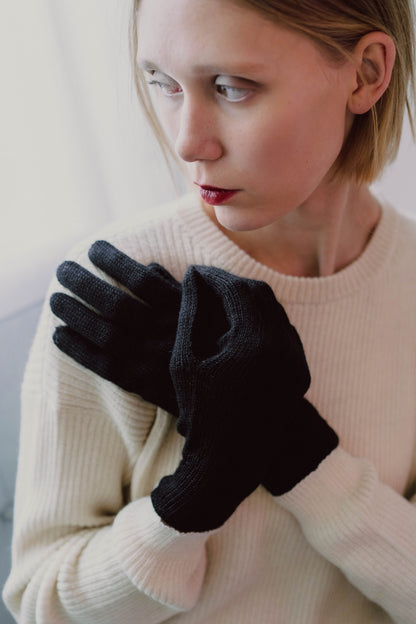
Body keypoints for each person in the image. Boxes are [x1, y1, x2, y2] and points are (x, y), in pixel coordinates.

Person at [3, 0, 416, 622]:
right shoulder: (118, 289)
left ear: (365, 74)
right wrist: (200, 488)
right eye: (162, 83)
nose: (186, 140)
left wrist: (298, 452)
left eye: (232, 87)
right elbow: (43, 605)